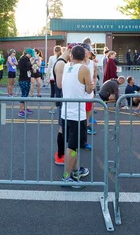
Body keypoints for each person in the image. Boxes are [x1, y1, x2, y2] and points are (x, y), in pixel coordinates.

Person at [60, 45, 93, 188]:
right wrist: (91, 85)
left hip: (65, 112)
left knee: (73, 146)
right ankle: (66, 177)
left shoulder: (67, 66)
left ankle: (75, 170)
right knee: (72, 147)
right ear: (84, 56)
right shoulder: (84, 69)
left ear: (71, 56)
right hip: (77, 115)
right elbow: (89, 89)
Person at [53, 46, 71, 166]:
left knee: (64, 127)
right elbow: (59, 85)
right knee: (62, 127)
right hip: (62, 99)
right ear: (69, 52)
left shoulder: (63, 62)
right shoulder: (61, 64)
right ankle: (60, 155)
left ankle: (61, 154)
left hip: (63, 99)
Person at [17, 49, 34, 117]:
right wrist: (29, 69)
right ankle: (21, 111)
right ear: (28, 54)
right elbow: (21, 68)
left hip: (27, 78)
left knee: (26, 94)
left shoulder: (28, 60)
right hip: (23, 79)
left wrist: (32, 68)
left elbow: (29, 67)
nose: (31, 56)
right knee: (23, 94)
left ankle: (24, 108)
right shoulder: (22, 59)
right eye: (31, 55)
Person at [47, 46, 63, 114]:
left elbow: (49, 68)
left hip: (53, 77)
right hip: (61, 77)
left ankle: (52, 108)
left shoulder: (51, 58)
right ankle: (60, 108)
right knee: (60, 93)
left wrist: (47, 77)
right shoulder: (62, 57)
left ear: (54, 51)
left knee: (53, 93)